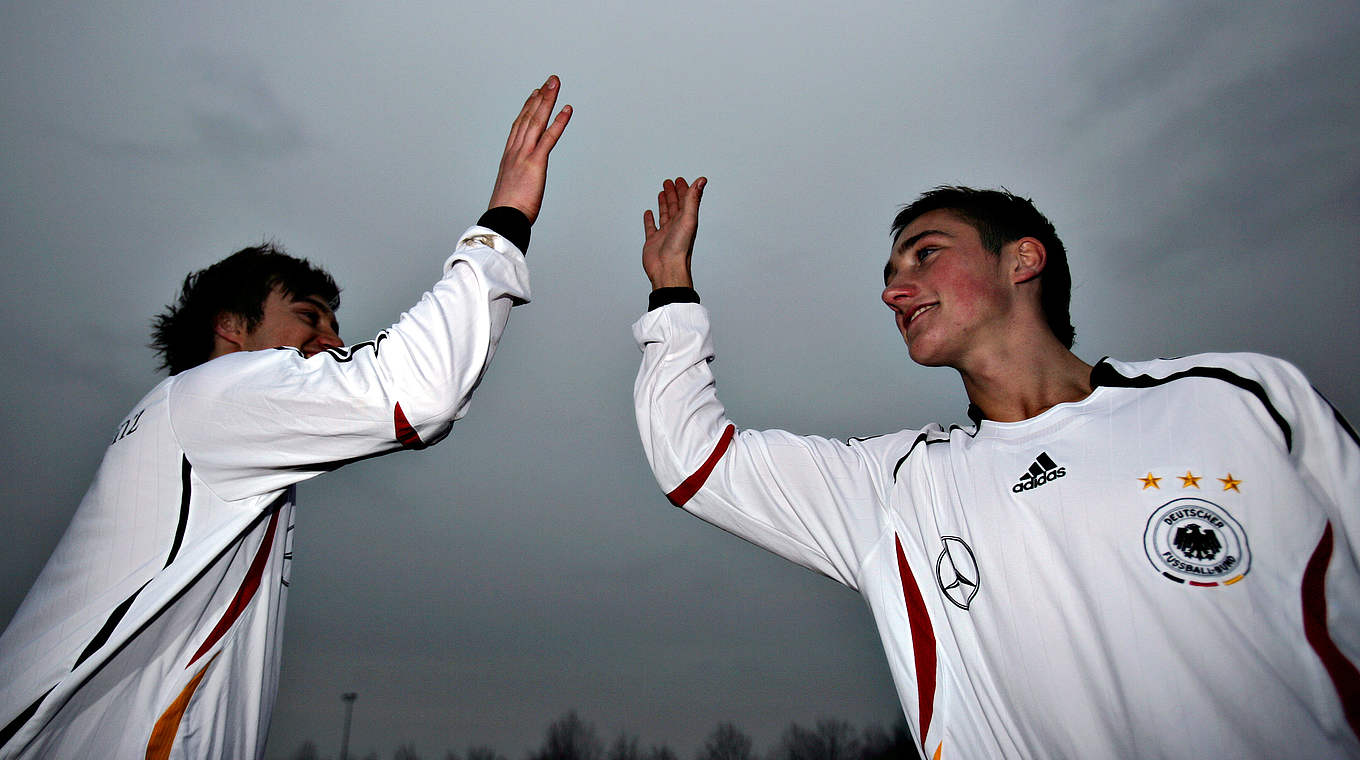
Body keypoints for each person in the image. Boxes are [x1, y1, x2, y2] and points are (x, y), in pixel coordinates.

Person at [633, 178, 1359, 758]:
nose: (893, 291)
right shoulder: (896, 487)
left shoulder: (1236, 398)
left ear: (1022, 260)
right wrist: (671, 288)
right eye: (889, 275)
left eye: (924, 255)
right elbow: (693, 458)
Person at [0, 76, 571, 760]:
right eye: (307, 316)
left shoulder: (212, 439)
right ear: (230, 326)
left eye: (333, 321)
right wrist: (504, 220)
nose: (331, 338)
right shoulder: (211, 397)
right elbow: (419, 389)